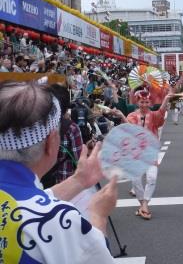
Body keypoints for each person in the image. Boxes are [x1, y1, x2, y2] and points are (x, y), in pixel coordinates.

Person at [0, 81, 117, 263]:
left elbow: (20, 203)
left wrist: (78, 181)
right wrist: (98, 215)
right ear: (52, 141)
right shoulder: (58, 219)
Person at [113, 89, 173, 220]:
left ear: (150, 102)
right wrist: (122, 116)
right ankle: (142, 204)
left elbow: (161, 113)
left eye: (146, 102)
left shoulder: (154, 115)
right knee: (136, 180)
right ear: (137, 102)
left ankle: (144, 204)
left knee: (152, 178)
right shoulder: (132, 116)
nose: (144, 104)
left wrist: (167, 98)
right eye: (142, 102)